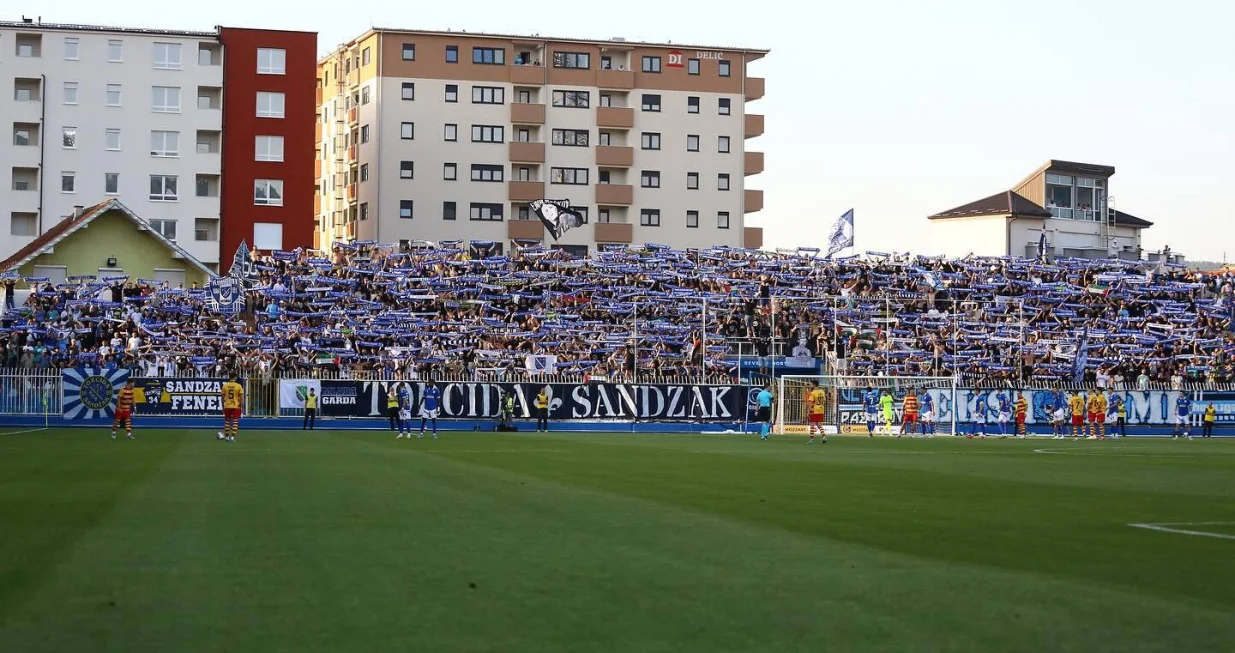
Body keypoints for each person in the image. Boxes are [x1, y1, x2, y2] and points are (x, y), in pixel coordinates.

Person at [220, 375, 244, 442]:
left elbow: (222, 398)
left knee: (227, 421)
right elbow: (241, 398)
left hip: (227, 406)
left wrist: (223, 407)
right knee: (235, 421)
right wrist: (242, 407)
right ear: (235, 378)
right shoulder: (239, 386)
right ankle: (232, 437)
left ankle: (227, 437)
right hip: (236, 406)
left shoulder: (225, 385)